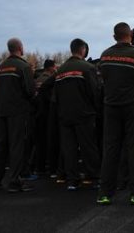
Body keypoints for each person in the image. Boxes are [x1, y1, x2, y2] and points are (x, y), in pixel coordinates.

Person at [97, 23, 134, 205]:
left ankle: (104, 193)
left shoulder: (105, 55)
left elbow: (103, 81)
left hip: (111, 106)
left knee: (110, 149)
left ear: (114, 36)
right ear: (130, 34)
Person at [0, 38, 36, 193]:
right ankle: (14, 181)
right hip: (18, 112)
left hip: (2, 111)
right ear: (20, 48)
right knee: (17, 146)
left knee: (0, 147)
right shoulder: (23, 66)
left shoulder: (1, 67)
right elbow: (29, 91)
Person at [53, 39, 101, 190]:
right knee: (88, 147)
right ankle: (94, 177)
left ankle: (72, 180)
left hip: (65, 115)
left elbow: (56, 97)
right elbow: (95, 92)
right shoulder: (88, 67)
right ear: (83, 50)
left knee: (69, 148)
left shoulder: (60, 71)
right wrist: (97, 110)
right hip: (84, 114)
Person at [33, 59, 56, 175]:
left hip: (37, 113)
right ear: (51, 68)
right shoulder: (49, 79)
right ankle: (47, 167)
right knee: (47, 141)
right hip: (46, 113)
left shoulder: (37, 79)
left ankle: (38, 166)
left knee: (39, 141)